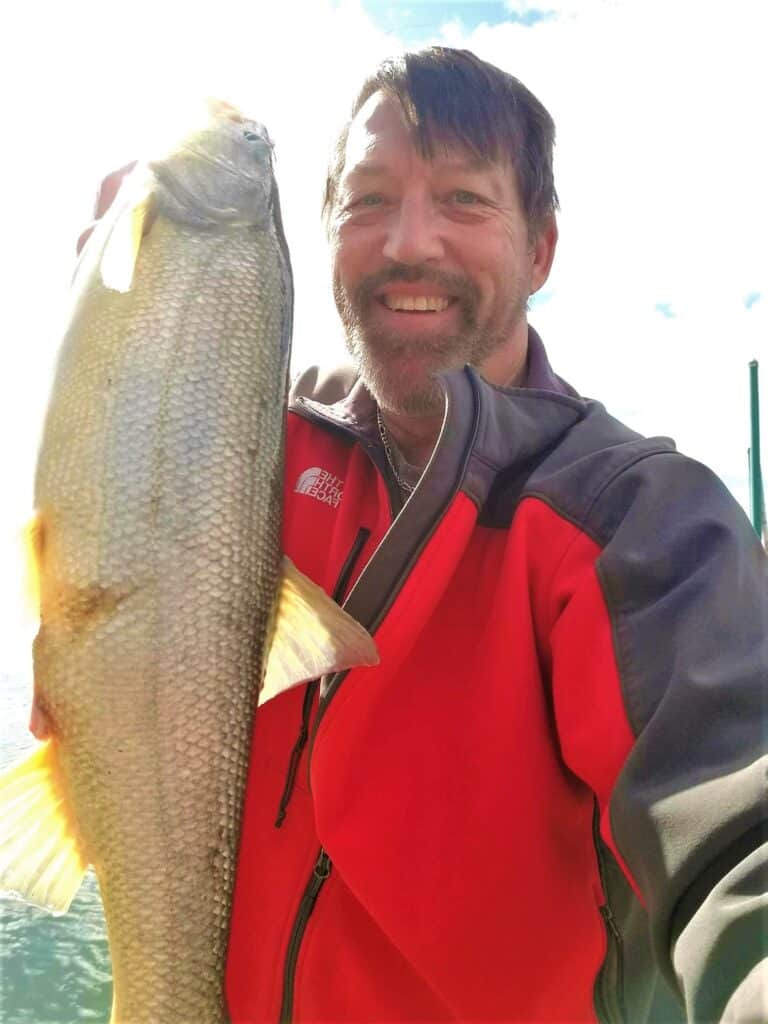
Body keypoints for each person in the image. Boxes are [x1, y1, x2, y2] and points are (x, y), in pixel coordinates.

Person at [76, 48, 765, 1024]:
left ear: (542, 249)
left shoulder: (644, 520)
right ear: (323, 236)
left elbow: (737, 832)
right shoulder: (247, 449)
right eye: (366, 201)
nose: (410, 241)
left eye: (464, 199)